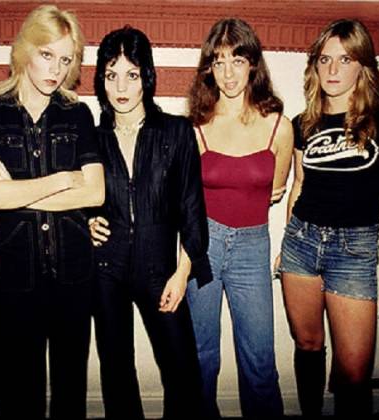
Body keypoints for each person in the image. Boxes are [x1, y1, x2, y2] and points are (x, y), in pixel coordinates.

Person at [0, 5, 104, 419]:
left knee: (70, 394)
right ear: (25, 49)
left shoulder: (77, 114)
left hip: (75, 274)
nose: (56, 70)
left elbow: (95, 192)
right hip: (18, 278)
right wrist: (62, 180)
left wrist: (13, 191)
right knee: (21, 396)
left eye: (65, 59)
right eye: (47, 55)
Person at [280, 18, 379, 417]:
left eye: (345, 59)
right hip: (301, 244)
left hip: (353, 250)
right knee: (307, 345)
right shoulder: (303, 123)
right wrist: (287, 240)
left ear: (363, 65)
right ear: (315, 65)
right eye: (325, 59)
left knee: (354, 373)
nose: (333, 69)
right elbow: (298, 185)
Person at [88, 26, 211, 419]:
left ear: (147, 77)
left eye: (131, 74)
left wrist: (183, 273)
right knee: (116, 370)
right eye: (111, 75)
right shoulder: (91, 138)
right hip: (105, 269)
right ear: (101, 80)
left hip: (160, 269)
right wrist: (85, 222)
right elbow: (74, 197)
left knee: (183, 371)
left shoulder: (176, 132)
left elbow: (192, 208)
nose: (121, 87)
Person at [185, 18, 293, 420]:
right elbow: (184, 202)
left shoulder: (279, 127)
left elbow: (277, 191)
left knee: (260, 360)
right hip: (203, 244)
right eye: (219, 61)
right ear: (209, 68)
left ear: (253, 64)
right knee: (201, 356)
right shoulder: (195, 127)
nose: (228, 73)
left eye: (237, 60)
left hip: (252, 246)